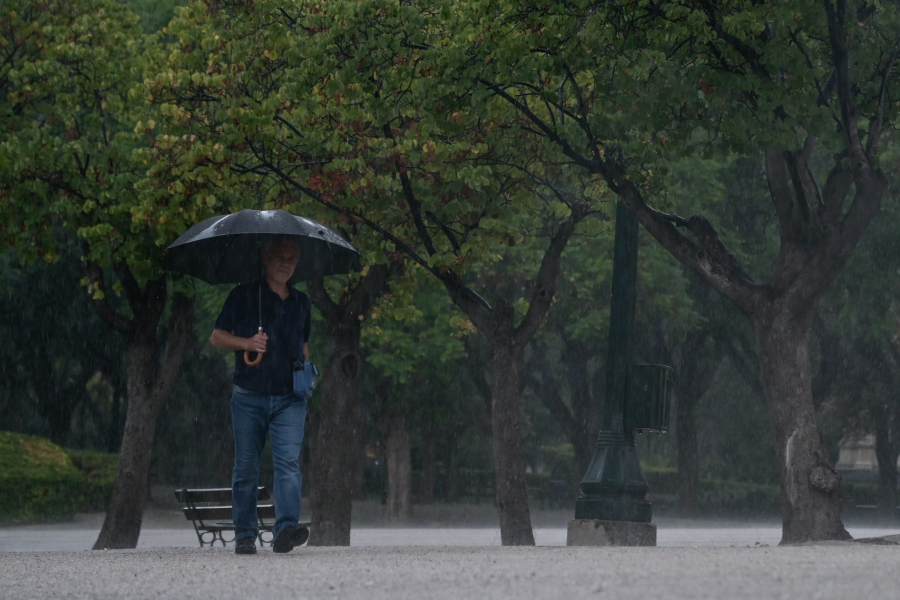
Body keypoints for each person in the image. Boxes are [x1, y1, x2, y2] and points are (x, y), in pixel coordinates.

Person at [210, 237, 312, 555]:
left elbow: (303, 344)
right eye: (280, 256)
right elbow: (216, 337)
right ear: (266, 258)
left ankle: (285, 531)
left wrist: (306, 373)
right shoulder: (243, 295)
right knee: (246, 467)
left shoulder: (302, 302)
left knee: (288, 464)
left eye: (292, 258)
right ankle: (245, 534)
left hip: (290, 398)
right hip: (249, 396)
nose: (285, 263)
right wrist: (247, 343)